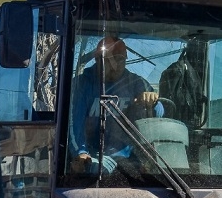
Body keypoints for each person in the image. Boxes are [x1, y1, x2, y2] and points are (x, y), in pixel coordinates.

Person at [69, 36, 164, 174]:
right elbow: (74, 122)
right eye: (108, 60)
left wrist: (153, 103)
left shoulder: (137, 83)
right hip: (95, 155)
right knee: (96, 173)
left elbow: (158, 118)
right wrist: (81, 152)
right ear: (97, 60)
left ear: (125, 61)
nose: (115, 66)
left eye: (119, 60)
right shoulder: (82, 84)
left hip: (131, 157)